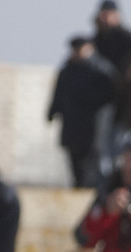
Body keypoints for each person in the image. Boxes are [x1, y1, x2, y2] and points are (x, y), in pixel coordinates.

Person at [46, 36, 118, 189]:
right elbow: (59, 93)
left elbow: (109, 96)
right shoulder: (67, 70)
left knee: (92, 167)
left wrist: (86, 97)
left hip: (93, 128)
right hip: (72, 126)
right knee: (76, 167)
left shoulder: (101, 69)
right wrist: (52, 111)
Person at [90, 0, 131, 78]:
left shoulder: (127, 38)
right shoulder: (96, 39)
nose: (105, 18)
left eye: (108, 14)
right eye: (103, 14)